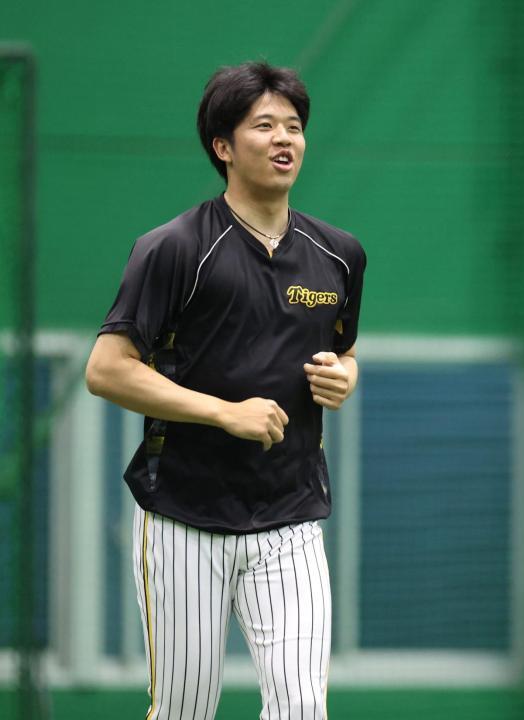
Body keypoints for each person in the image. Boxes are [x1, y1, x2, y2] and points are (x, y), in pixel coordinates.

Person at [86, 61, 366, 719]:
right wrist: (223, 414)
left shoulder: (339, 255)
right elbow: (107, 368)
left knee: (302, 707)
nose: (284, 140)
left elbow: (346, 347)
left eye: (293, 126)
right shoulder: (173, 248)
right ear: (222, 146)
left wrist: (345, 374)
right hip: (184, 514)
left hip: (292, 516)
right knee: (185, 709)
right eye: (264, 125)